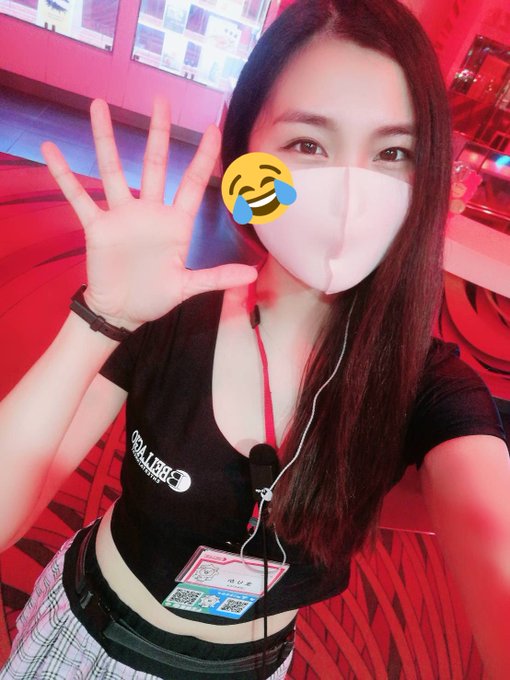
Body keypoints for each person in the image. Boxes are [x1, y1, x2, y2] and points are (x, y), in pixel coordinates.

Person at [1, 0, 509, 678]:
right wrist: (101, 316)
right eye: (307, 144)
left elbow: (494, 540)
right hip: (89, 635)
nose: (350, 193)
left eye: (393, 153)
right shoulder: (171, 311)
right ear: (246, 160)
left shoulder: (430, 387)